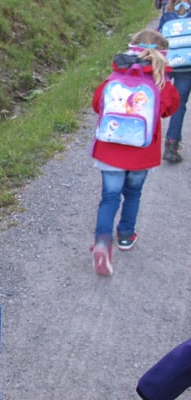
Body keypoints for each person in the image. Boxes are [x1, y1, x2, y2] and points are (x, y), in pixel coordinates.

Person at [90, 29, 180, 276]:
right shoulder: (161, 83)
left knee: (109, 197)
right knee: (133, 193)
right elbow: (169, 109)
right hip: (142, 153)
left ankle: (102, 241)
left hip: (110, 151)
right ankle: (126, 235)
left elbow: (97, 104)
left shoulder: (115, 76)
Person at [159, 0, 191, 163]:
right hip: (187, 67)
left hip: (169, 64)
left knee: (157, 101)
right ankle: (172, 145)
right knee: (180, 104)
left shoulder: (167, 15)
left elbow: (159, 41)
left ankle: (145, 139)